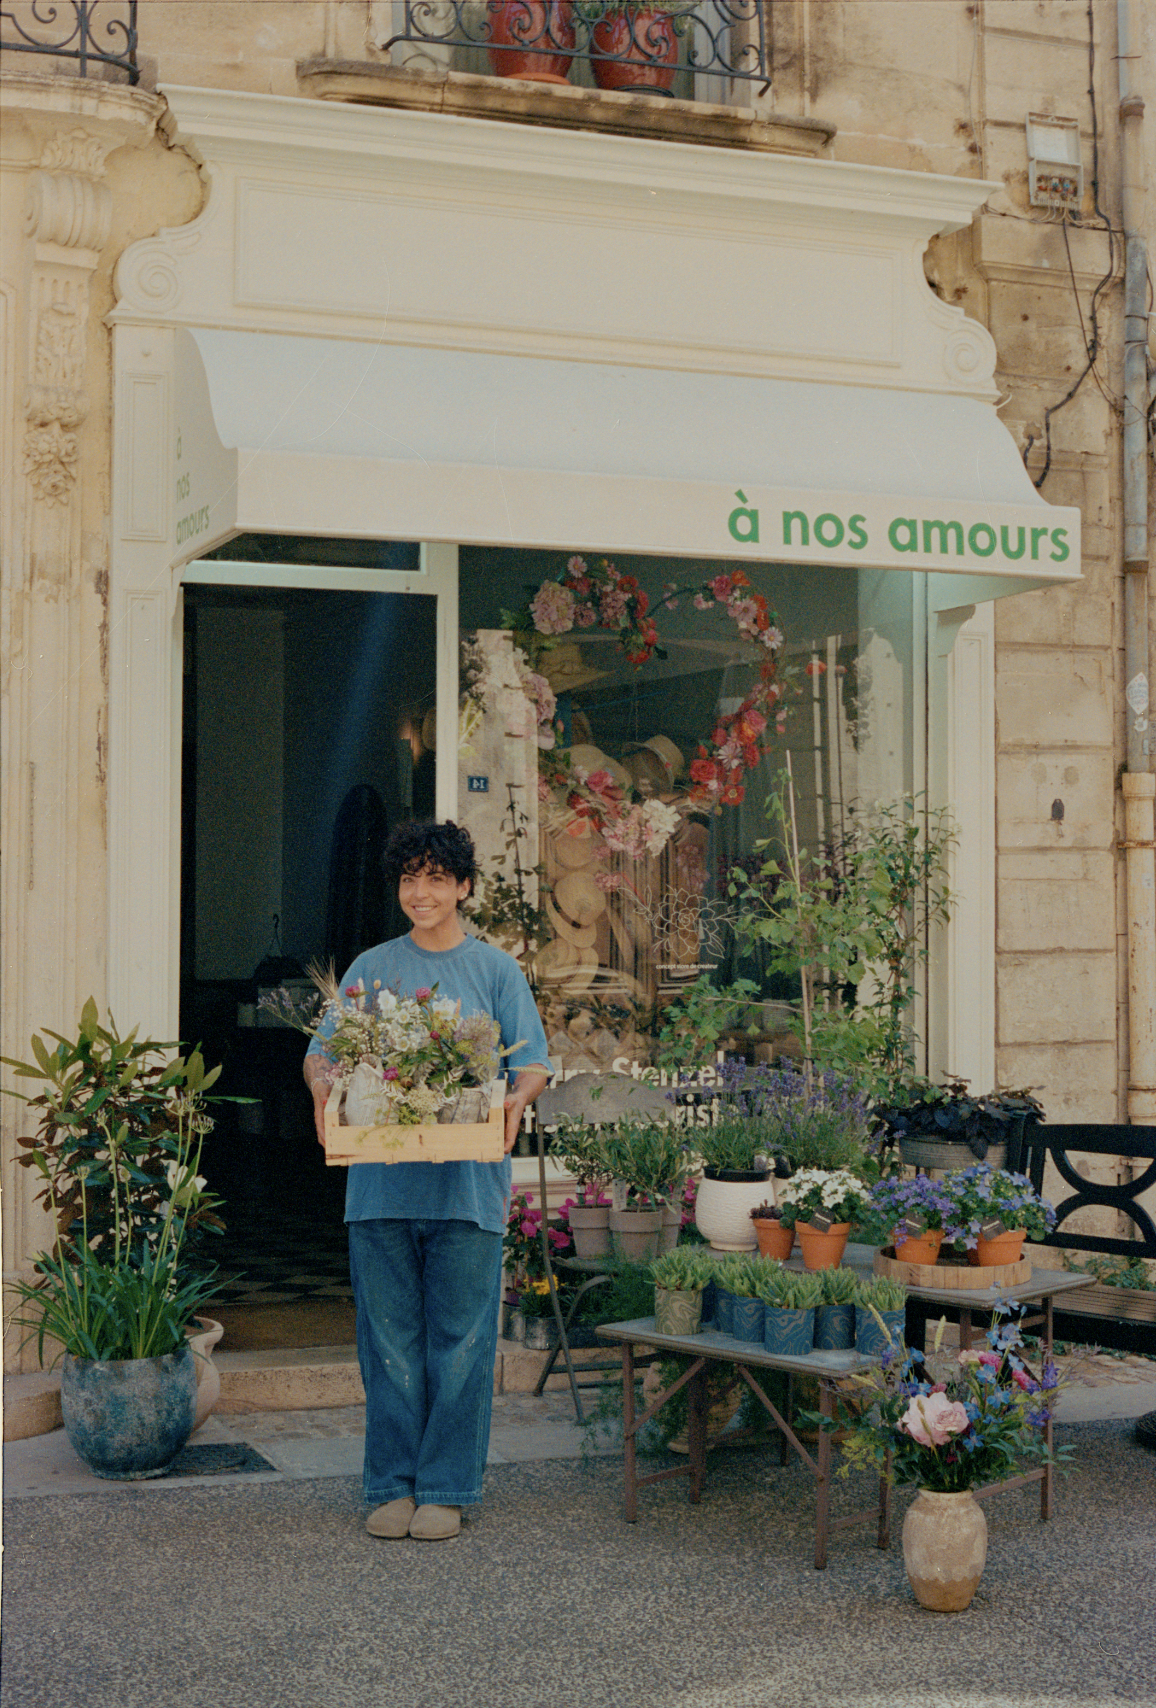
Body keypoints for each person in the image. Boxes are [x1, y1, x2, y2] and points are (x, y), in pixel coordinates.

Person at [303, 820, 550, 1541]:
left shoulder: (495, 971)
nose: (422, 892)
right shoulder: (370, 970)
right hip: (379, 1191)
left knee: (462, 1344)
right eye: (410, 878)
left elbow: (531, 1061)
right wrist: (321, 1091)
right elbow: (322, 1053)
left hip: (469, 1191)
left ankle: (446, 1485)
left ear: (464, 886)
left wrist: (515, 1099)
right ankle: (391, 1484)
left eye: (437, 878)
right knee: (388, 1344)